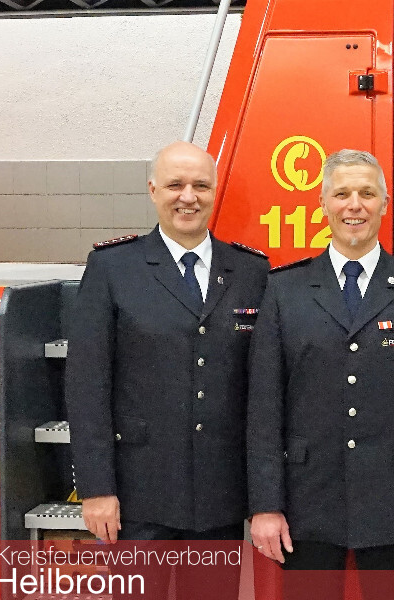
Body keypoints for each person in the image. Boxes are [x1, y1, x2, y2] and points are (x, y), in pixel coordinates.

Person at [247, 149, 394, 598]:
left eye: (367, 193)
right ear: (323, 204)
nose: (354, 205)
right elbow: (264, 407)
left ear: (384, 203)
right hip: (305, 504)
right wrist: (266, 505)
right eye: (342, 194)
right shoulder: (285, 289)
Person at [64, 141, 269, 595]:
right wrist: (96, 489)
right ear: (153, 190)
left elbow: (262, 391)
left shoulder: (252, 271)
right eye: (175, 185)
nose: (188, 197)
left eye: (201, 186)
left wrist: (263, 495)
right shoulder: (114, 268)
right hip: (138, 496)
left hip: (220, 496)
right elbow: (87, 386)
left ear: (215, 192)